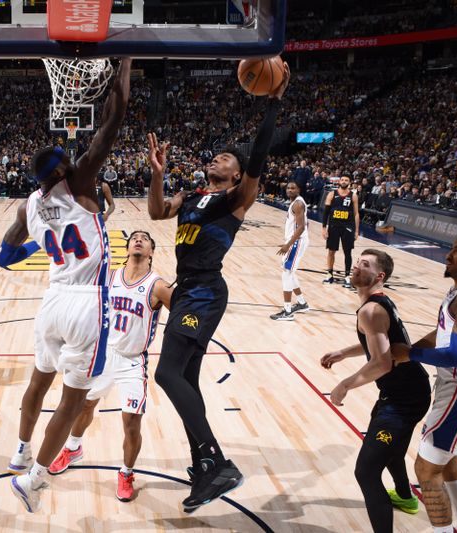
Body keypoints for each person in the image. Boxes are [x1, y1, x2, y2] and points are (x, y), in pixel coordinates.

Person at [146, 59, 290, 513]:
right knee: (185, 377)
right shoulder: (189, 197)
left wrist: (271, 106)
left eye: (228, 158)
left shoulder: (235, 199)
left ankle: (217, 460)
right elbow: (154, 212)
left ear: (235, 174)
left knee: (167, 373)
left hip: (205, 292)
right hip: (187, 288)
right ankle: (204, 466)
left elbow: (259, 155)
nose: (219, 158)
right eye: (219, 156)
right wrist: (156, 172)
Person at [0, 58, 132, 513]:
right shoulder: (81, 183)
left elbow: (4, 255)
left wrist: (33, 249)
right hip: (86, 306)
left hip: (51, 301)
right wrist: (125, 64)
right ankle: (33, 480)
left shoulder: (28, 207)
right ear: (64, 170)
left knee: (38, 383)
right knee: (72, 402)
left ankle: (20, 449)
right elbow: (115, 118)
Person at [46, 230, 172, 502]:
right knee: (84, 405)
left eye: (145, 238)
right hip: (103, 354)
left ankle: (126, 472)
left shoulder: (158, 285)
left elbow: (183, 316)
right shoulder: (110, 277)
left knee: (131, 422)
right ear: (127, 247)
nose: (138, 240)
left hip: (132, 360)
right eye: (134, 237)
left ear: (151, 251)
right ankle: (73, 448)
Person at [321, 249, 431, 532]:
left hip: (403, 399)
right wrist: (344, 353)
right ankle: (406, 498)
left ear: (379, 276)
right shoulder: (377, 304)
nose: (357, 266)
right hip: (406, 392)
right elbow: (380, 345)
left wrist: (345, 384)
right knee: (391, 450)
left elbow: (382, 363)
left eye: (365, 265)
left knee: (367, 472)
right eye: (358, 261)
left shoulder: (371, 310)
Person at [392, 229, 457, 533]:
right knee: (449, 464)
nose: (448, 254)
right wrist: (408, 352)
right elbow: (444, 335)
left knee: (426, 470)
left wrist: (411, 354)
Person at [270, 179, 310, 320]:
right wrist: (288, 242)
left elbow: (301, 227)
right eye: (288, 188)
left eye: (293, 188)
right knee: (289, 272)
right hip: (295, 241)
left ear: (299, 190)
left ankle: (287, 311)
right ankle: (302, 303)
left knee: (286, 273)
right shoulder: (296, 202)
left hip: (297, 242)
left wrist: (289, 244)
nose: (290, 190)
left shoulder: (298, 204)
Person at [322, 175, 360, 288]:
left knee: (347, 252)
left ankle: (347, 276)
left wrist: (357, 230)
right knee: (331, 251)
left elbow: (356, 213)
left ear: (350, 182)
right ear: (339, 181)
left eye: (346, 180)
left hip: (347, 227)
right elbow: (326, 212)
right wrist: (324, 228)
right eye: (342, 180)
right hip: (334, 226)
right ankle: (329, 274)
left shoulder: (353, 195)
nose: (344, 181)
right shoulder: (332, 194)